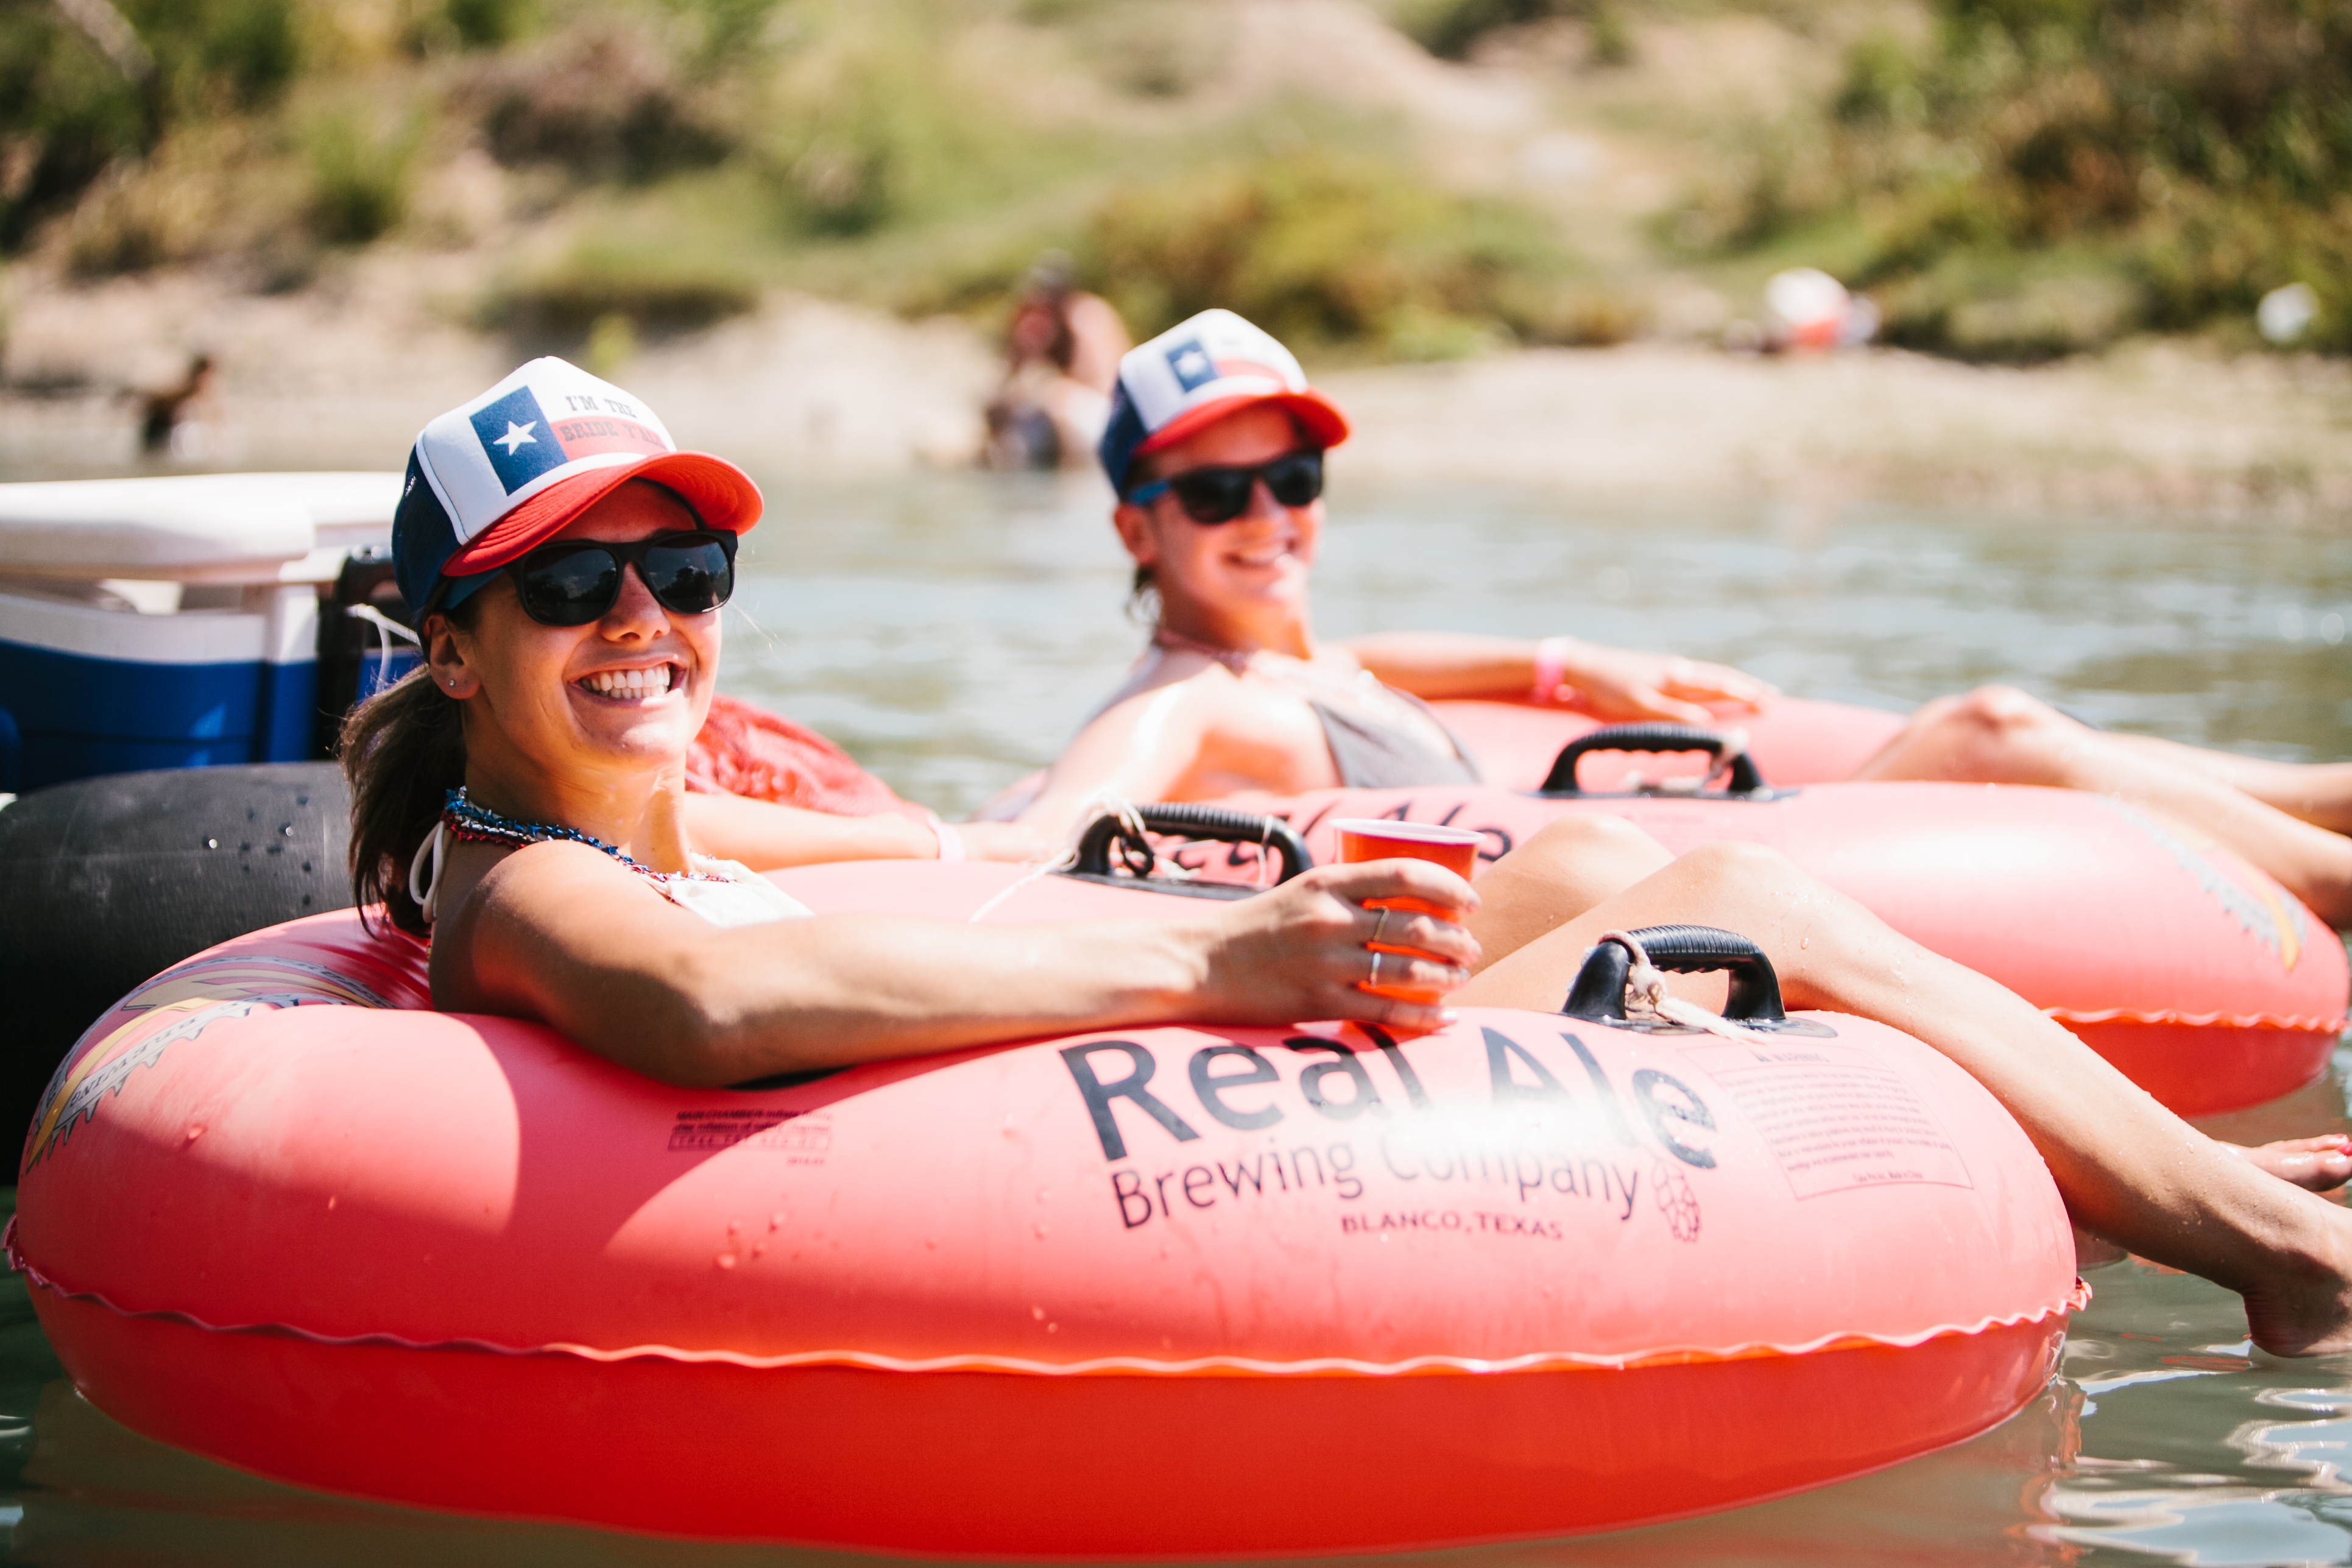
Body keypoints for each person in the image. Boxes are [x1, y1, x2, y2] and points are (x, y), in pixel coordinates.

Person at [345, 355, 2352, 1357]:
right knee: (1751, 902)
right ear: (452, 641)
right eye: (571, 583)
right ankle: (2272, 1256)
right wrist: (1223, 964)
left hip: (1117, 1083)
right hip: (1128, 1152)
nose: (645, 616)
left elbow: (885, 874)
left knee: (1592, 872)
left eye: (681, 567)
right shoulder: (522, 885)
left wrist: (1552, 664)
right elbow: (708, 1002)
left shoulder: (626, 824)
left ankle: (2203, 1189)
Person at [1011, 308, 2352, 928]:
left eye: (1293, 476)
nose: (1269, 518)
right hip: (1687, 893)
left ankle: (2321, 800)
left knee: (1997, 730)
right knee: (1989, 725)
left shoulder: (1288, 665)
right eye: (1214, 492)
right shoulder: (1186, 703)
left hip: (1668, 854)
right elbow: (1059, 821)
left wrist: (1565, 663)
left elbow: (1358, 660)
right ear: (1135, 525)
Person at [983, 252, 1132, 470]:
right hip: (1075, 419)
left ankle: (1071, 477)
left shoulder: (1086, 317)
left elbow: (1110, 385)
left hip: (1110, 417)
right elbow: (1008, 381)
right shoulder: (1039, 321)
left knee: (1056, 395)